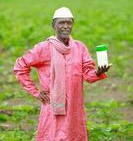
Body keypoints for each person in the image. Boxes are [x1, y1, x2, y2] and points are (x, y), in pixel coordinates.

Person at [13, 7, 111, 141]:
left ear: (72, 25)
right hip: (54, 106)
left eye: (69, 23)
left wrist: (98, 72)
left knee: (74, 135)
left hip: (74, 107)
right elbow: (20, 67)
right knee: (52, 135)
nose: (65, 26)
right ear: (53, 25)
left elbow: (88, 75)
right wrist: (35, 92)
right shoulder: (43, 48)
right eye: (61, 23)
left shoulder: (79, 47)